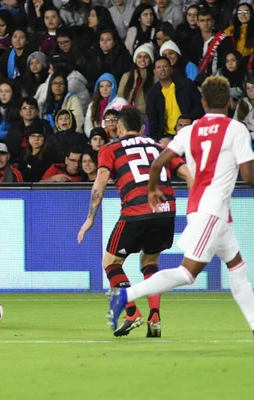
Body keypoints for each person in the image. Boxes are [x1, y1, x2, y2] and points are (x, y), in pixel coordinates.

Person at [108, 76, 254, 337]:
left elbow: (157, 163)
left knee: (238, 271)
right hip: (212, 212)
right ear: (230, 102)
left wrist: (152, 190)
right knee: (187, 274)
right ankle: (126, 296)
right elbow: (249, 177)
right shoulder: (236, 129)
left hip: (206, 211)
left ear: (203, 102)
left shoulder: (189, 131)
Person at [78, 106, 192, 338]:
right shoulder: (160, 147)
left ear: (118, 128)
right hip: (166, 211)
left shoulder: (110, 149)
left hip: (136, 211)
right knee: (149, 262)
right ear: (142, 128)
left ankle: (131, 312)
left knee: (111, 263)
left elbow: (100, 182)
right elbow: (189, 174)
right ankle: (155, 317)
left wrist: (90, 217)